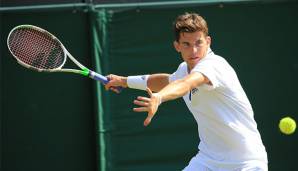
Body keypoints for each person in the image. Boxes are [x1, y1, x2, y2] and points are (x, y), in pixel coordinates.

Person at [105, 12, 268, 171]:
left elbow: (186, 83)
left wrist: (159, 97)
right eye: (187, 44)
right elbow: (166, 81)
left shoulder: (215, 65)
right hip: (208, 160)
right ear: (177, 46)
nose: (194, 50)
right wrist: (124, 81)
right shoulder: (184, 69)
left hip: (246, 162)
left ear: (208, 42)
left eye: (199, 43)